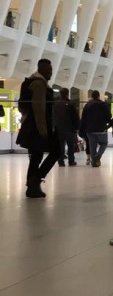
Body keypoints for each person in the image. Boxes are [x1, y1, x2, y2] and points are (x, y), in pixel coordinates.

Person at [16, 59, 60, 198]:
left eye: (51, 70)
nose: (51, 73)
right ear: (41, 69)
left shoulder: (31, 82)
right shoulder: (38, 84)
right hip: (37, 127)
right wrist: (43, 131)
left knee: (36, 157)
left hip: (32, 126)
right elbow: (39, 109)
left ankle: (32, 186)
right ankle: (35, 181)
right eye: (48, 70)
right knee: (56, 151)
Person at [80, 90, 111, 167]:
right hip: (101, 129)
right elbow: (108, 116)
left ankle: (94, 162)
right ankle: (98, 156)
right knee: (104, 143)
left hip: (90, 130)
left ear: (91, 96)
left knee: (92, 146)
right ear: (98, 96)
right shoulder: (103, 104)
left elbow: (83, 118)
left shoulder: (87, 105)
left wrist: (82, 129)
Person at [52, 88, 79, 167]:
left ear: (60, 93)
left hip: (58, 128)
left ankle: (61, 162)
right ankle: (71, 161)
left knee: (60, 145)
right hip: (69, 128)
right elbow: (75, 117)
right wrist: (76, 128)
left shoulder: (56, 103)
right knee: (70, 145)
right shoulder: (71, 103)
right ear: (67, 93)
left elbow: (53, 116)